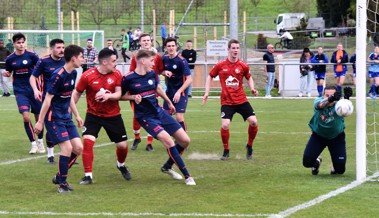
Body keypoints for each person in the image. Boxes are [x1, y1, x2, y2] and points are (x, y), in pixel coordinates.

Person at [121, 49, 196, 185]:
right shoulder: (128, 78)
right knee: (169, 141)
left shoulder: (152, 74)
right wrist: (132, 97)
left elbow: (158, 89)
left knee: (185, 141)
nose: (153, 63)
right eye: (151, 61)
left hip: (159, 112)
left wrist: (168, 102)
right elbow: (119, 95)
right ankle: (188, 176)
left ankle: (167, 166)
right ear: (143, 61)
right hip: (145, 117)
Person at [73, 48, 131, 185]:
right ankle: (88, 175)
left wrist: (108, 96)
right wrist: (70, 109)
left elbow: (118, 94)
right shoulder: (88, 75)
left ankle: (121, 165)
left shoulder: (117, 74)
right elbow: (77, 93)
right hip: (93, 115)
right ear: (104, 62)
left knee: (122, 146)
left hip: (113, 115)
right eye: (113, 61)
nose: (116, 63)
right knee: (87, 142)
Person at [34, 44, 84, 193]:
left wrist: (77, 115)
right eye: (81, 57)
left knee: (78, 148)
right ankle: (62, 184)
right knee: (67, 148)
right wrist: (40, 121)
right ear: (74, 58)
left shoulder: (74, 73)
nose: (83, 59)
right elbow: (47, 99)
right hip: (53, 117)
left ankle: (59, 176)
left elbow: (69, 97)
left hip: (66, 117)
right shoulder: (58, 75)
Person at [202, 39, 259, 160]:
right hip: (227, 101)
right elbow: (210, 76)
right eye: (233, 48)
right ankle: (226, 150)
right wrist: (206, 92)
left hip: (241, 100)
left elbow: (249, 77)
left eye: (237, 48)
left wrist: (252, 88)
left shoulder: (243, 65)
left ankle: (249, 146)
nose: (235, 50)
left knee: (254, 122)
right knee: (225, 125)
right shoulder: (221, 65)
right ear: (228, 50)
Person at [3, 33, 44, 154]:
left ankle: (41, 141)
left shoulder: (32, 56)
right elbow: (9, 72)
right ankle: (33, 144)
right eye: (18, 43)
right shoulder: (10, 59)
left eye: (22, 42)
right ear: (14, 44)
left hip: (34, 90)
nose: (21, 45)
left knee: (38, 118)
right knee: (26, 117)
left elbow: (42, 69)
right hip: (20, 91)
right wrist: (6, 74)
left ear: (25, 43)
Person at [302, 85, 352, 176]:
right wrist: (330, 99)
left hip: (337, 138)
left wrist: (347, 98)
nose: (329, 97)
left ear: (336, 95)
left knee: (340, 170)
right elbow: (321, 105)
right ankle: (316, 162)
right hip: (318, 137)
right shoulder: (318, 101)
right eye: (326, 95)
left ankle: (335, 164)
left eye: (332, 95)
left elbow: (346, 111)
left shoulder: (339, 104)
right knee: (307, 162)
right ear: (323, 95)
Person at [30, 38, 65, 163]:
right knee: (51, 128)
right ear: (52, 49)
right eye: (58, 48)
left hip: (64, 101)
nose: (61, 50)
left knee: (66, 125)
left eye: (62, 47)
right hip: (48, 100)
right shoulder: (43, 61)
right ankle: (50, 155)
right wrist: (35, 90)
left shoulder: (66, 60)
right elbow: (33, 77)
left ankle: (67, 152)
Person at [129, 33, 165, 151]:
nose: (146, 42)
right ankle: (137, 137)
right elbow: (131, 72)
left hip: (151, 89)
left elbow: (159, 70)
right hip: (138, 89)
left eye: (148, 40)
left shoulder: (157, 56)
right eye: (143, 40)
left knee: (152, 114)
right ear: (140, 43)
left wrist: (165, 73)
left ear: (151, 42)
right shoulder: (136, 56)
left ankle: (149, 143)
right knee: (137, 116)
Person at [162, 37, 192, 135]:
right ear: (165, 47)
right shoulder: (165, 58)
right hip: (169, 93)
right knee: (166, 117)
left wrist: (179, 92)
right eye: (169, 46)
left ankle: (183, 139)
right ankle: (174, 137)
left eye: (173, 46)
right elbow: (159, 71)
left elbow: (189, 79)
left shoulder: (181, 61)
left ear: (176, 47)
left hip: (181, 92)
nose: (171, 48)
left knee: (179, 117)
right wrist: (164, 72)